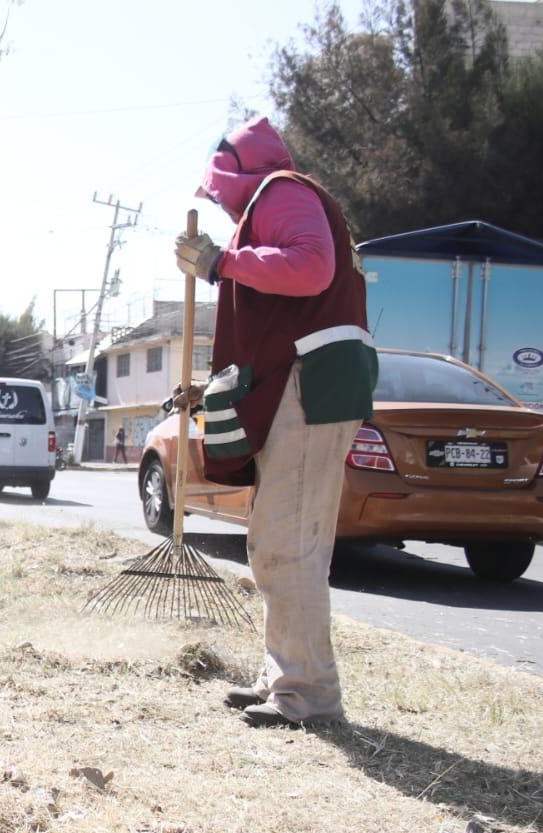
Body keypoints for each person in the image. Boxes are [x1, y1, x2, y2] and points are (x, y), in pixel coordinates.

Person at [173, 116, 378, 729]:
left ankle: (307, 695)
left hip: (311, 388)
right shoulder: (272, 202)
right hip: (301, 385)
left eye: (217, 192)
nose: (217, 205)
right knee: (274, 543)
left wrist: (221, 262)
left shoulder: (281, 192)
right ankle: (283, 677)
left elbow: (310, 267)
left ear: (237, 177)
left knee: (290, 547)